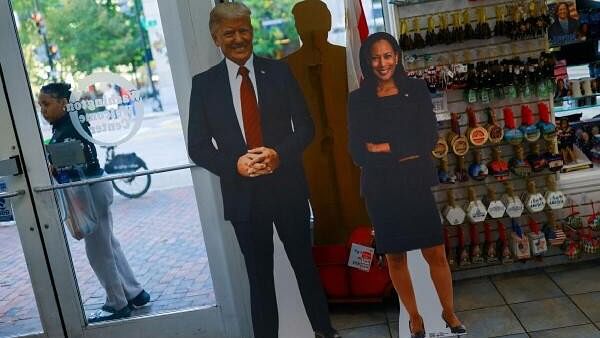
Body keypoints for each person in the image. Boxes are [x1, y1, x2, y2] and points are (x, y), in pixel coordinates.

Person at [187, 3, 338, 338]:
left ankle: (325, 331)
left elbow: (306, 128)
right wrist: (234, 165)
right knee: (259, 277)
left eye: (244, 30)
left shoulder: (280, 72)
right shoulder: (204, 85)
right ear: (217, 38)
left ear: (252, 31)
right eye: (229, 33)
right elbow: (196, 147)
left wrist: (278, 154)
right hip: (244, 197)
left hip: (287, 190)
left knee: (305, 267)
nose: (239, 38)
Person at [346, 32, 465, 338]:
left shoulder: (415, 88)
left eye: (387, 55)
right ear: (366, 61)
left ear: (396, 57)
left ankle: (449, 311)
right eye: (375, 57)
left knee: (435, 252)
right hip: (380, 189)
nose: (382, 63)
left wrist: (383, 148)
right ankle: (414, 317)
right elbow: (358, 151)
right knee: (396, 257)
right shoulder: (357, 100)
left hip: (415, 184)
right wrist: (403, 150)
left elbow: (428, 139)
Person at [38, 83, 150, 323]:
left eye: (46, 104)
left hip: (89, 191)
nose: (42, 110)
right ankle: (135, 293)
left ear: (63, 103)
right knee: (109, 244)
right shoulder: (70, 123)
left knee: (99, 252)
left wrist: (51, 164)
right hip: (95, 188)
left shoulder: (68, 129)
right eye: (40, 106)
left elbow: (63, 166)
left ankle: (117, 303)